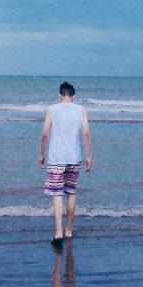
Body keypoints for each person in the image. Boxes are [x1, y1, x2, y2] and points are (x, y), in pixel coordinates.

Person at [38, 81, 92, 247]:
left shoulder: (52, 109)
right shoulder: (81, 110)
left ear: (60, 95)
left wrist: (41, 154)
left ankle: (58, 232)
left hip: (56, 158)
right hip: (74, 157)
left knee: (57, 195)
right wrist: (89, 156)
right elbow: (86, 134)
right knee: (71, 193)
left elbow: (45, 133)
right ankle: (68, 229)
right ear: (73, 96)